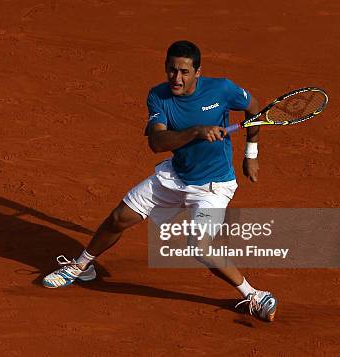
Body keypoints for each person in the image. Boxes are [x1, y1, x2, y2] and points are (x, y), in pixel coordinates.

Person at [42, 40, 277, 322]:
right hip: (175, 176)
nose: (176, 78)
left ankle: (254, 295)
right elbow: (157, 142)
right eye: (171, 70)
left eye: (184, 72)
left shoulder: (223, 89)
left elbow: (254, 110)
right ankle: (81, 267)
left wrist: (251, 154)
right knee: (119, 217)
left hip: (213, 187)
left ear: (198, 72)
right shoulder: (158, 97)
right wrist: (197, 132)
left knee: (200, 247)